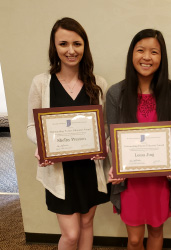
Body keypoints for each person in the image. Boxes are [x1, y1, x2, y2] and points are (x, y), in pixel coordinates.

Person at [27, 17, 111, 250]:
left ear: (85, 46)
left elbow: (104, 129)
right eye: (63, 44)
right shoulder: (41, 84)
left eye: (77, 43)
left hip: (90, 169)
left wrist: (103, 145)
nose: (71, 50)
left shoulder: (99, 84)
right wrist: (42, 143)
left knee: (86, 223)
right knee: (71, 234)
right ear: (54, 47)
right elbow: (31, 127)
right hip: (59, 170)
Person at [106, 29, 171, 250]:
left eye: (154, 52)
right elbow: (113, 137)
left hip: (160, 177)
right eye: (140, 50)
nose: (147, 57)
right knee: (134, 239)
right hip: (131, 179)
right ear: (132, 54)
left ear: (162, 57)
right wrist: (115, 165)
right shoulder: (116, 93)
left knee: (157, 229)